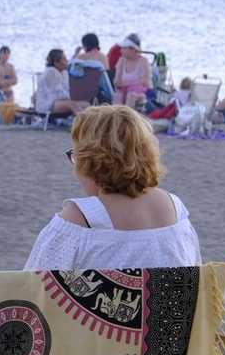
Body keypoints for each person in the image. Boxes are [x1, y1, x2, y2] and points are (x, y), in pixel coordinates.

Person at [23, 105, 200, 271]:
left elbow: (33, 285)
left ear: (90, 162)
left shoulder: (77, 221)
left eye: (76, 156)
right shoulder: (176, 210)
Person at [35, 49, 89, 117]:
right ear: (56, 63)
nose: (67, 61)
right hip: (47, 104)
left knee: (86, 104)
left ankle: (92, 122)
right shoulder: (50, 72)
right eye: (64, 59)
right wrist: (67, 101)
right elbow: (54, 95)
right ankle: (84, 123)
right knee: (73, 105)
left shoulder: (64, 72)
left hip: (60, 102)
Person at [110, 35, 152, 110]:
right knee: (118, 96)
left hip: (143, 92)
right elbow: (116, 80)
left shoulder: (143, 61)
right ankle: (116, 116)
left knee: (131, 95)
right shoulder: (122, 61)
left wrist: (126, 84)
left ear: (133, 49)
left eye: (124, 48)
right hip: (124, 90)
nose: (121, 50)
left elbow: (145, 82)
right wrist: (118, 82)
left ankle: (128, 116)